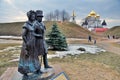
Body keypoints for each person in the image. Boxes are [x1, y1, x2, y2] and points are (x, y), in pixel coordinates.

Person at [18, 10, 42, 77]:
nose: (34, 17)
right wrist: (27, 43)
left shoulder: (33, 24)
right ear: (29, 16)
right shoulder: (26, 25)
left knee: (35, 57)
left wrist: (38, 35)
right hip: (27, 45)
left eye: (34, 16)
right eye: (32, 16)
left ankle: (37, 69)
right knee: (26, 59)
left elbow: (33, 33)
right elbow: (23, 35)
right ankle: (25, 72)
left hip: (33, 44)